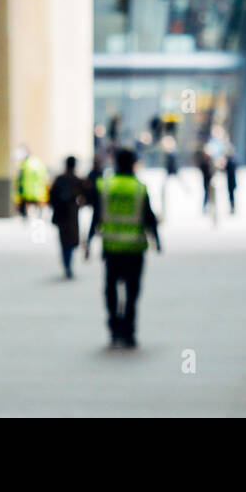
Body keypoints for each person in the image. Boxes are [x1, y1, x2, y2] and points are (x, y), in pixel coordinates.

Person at [89, 148, 160, 347]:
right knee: (131, 292)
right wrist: (157, 240)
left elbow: (97, 215)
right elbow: (149, 216)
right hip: (135, 250)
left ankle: (114, 329)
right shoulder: (139, 187)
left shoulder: (105, 186)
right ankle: (129, 331)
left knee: (110, 290)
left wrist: (88, 241)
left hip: (111, 248)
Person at [49, 156, 86, 278]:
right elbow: (86, 193)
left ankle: (66, 264)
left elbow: (51, 196)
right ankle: (68, 264)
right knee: (70, 241)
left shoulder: (60, 179)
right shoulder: (76, 180)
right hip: (71, 214)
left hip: (61, 214)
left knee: (64, 241)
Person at [13, 145, 48, 220]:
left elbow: (19, 179)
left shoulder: (24, 164)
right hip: (39, 191)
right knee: (38, 211)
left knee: (28, 211)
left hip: (27, 192)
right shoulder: (38, 162)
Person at [197, 149, 215, 215]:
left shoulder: (211, 162)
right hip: (206, 181)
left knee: (211, 195)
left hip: (211, 181)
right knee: (206, 195)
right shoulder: (204, 162)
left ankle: (210, 207)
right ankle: (205, 207)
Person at [224, 151, 238, 215]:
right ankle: (232, 207)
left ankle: (232, 207)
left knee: (231, 196)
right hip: (232, 182)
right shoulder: (233, 162)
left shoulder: (229, 163)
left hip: (230, 183)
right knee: (232, 196)